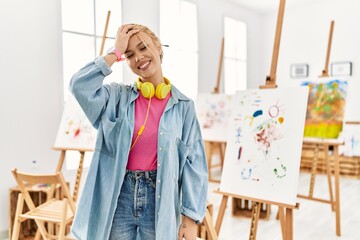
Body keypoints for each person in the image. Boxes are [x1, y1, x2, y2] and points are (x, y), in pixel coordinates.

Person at [69, 23, 208, 240]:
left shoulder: (183, 106)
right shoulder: (116, 98)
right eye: (130, 54)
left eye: (143, 48)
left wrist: (190, 219)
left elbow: (194, 164)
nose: (139, 58)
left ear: (158, 47)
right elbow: (79, 86)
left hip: (159, 198)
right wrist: (114, 53)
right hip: (119, 195)